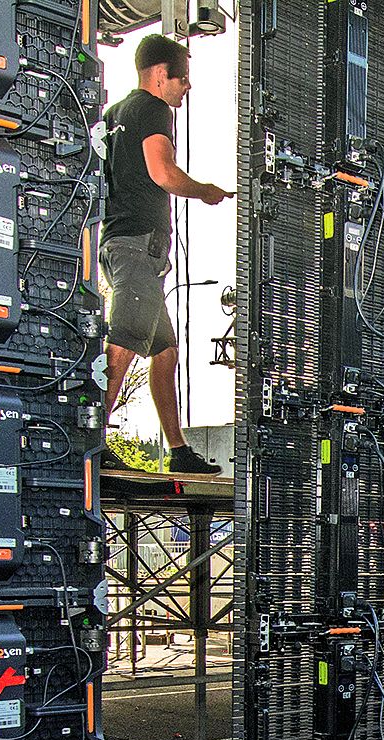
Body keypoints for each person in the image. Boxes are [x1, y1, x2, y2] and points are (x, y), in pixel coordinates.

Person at [100, 34, 228, 475]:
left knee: (165, 349)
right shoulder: (152, 110)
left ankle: (177, 449)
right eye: (183, 78)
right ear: (160, 75)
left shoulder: (115, 113)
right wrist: (205, 191)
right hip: (136, 245)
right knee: (123, 340)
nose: (186, 87)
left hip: (121, 243)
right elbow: (163, 172)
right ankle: (92, 439)